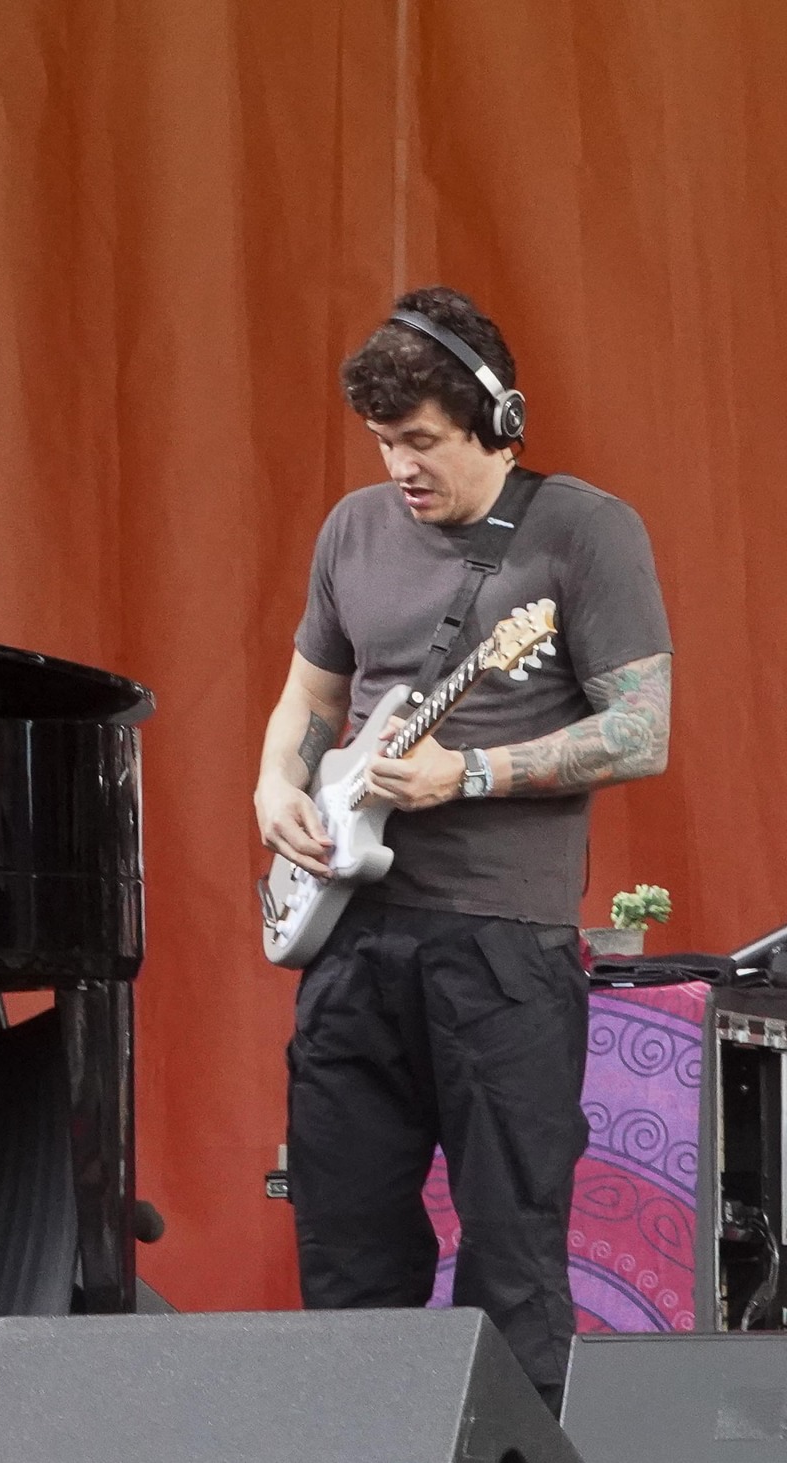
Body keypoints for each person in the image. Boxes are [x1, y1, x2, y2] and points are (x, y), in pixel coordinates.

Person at [253, 286, 672, 1412]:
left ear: (496, 419)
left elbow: (642, 729)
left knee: (509, 1247)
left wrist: (471, 772)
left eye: (422, 441)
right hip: (351, 940)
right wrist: (274, 783)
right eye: (385, 443)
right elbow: (310, 691)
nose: (399, 466)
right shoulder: (350, 527)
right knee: (342, 1243)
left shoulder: (582, 530)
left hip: (500, 950)